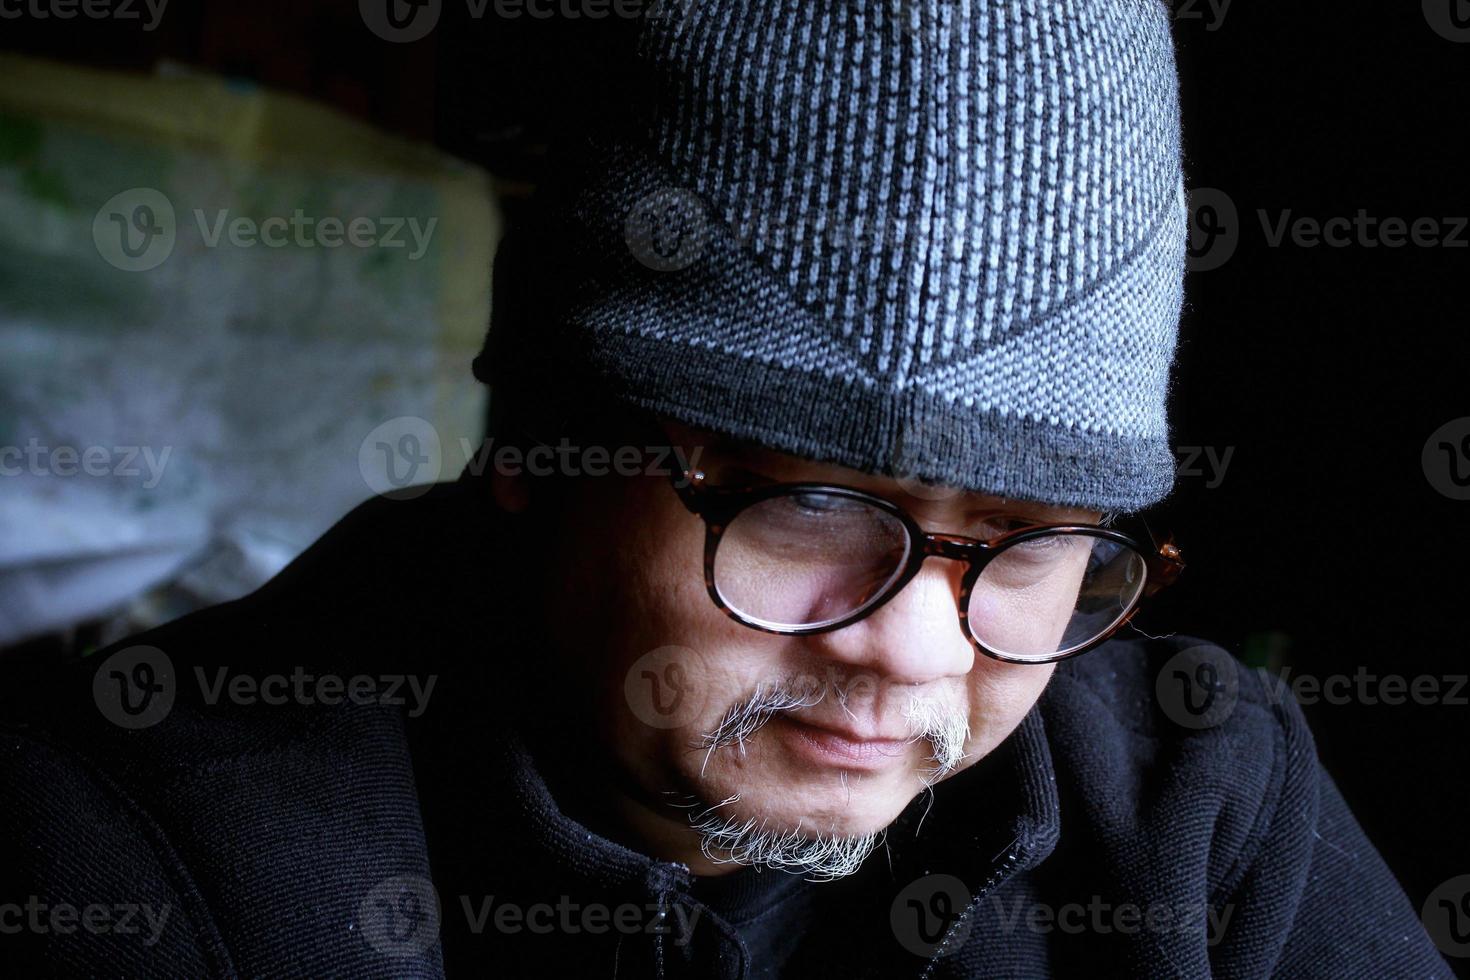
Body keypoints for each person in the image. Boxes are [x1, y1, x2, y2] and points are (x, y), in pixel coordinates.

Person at [0, 1, 1451, 977]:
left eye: (1025, 547)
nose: (917, 652)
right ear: (536, 447)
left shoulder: (1204, 802)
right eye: (811, 507)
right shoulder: (128, 858)